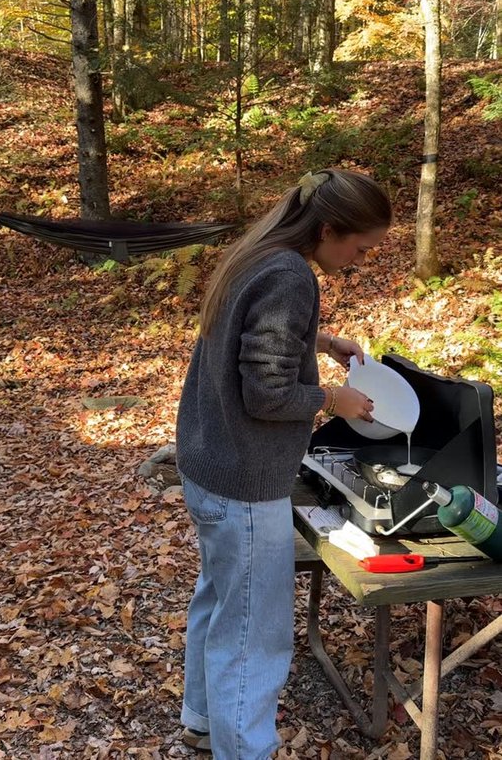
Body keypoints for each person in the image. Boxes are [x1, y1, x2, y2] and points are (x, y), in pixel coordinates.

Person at [175, 167, 392, 759]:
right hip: (243, 481)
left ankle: (201, 719)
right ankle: (242, 750)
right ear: (328, 228)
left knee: (220, 598)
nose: (361, 259)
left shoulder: (261, 252)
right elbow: (265, 394)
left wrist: (321, 342)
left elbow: (251, 334)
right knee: (253, 630)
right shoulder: (289, 274)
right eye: (360, 246)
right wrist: (332, 398)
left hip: (210, 463)